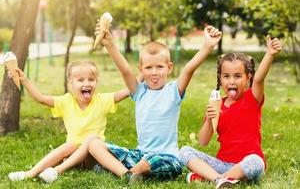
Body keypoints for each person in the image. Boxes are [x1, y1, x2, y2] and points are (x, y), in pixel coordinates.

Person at [87, 24, 222, 184]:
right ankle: (127, 174)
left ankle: (122, 169)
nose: (154, 72)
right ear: (141, 70)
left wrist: (207, 46)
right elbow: (125, 70)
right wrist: (109, 44)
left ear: (169, 68)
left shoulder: (174, 90)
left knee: (148, 163)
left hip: (168, 158)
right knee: (94, 144)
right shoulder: (139, 91)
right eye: (149, 67)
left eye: (159, 67)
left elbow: (189, 69)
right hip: (140, 154)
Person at [180, 35, 282, 188]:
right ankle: (221, 179)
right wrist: (208, 120)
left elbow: (259, 79)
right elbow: (203, 141)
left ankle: (212, 178)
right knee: (184, 151)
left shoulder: (252, 98)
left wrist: (269, 54)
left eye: (237, 76)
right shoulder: (216, 104)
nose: (231, 81)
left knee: (255, 160)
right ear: (220, 79)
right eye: (226, 76)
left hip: (248, 165)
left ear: (248, 78)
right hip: (222, 164)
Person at [8, 60, 129, 183]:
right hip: (72, 154)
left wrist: (141, 78)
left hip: (94, 156)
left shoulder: (102, 101)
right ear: (70, 83)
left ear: (96, 81)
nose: (86, 83)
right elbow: (41, 99)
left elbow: (124, 93)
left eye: (91, 79)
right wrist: (24, 80)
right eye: (80, 80)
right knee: (70, 145)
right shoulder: (66, 102)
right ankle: (29, 173)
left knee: (92, 139)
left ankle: (56, 171)